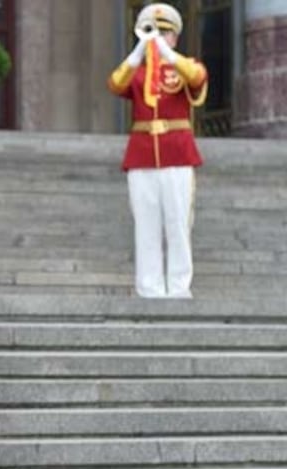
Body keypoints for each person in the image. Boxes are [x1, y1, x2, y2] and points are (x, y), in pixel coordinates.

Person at [108, 2, 208, 298]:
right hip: (142, 156)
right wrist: (139, 52)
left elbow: (197, 78)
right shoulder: (137, 74)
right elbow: (115, 83)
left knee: (178, 223)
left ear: (175, 36)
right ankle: (148, 288)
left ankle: (178, 287)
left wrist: (167, 54)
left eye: (165, 32)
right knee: (146, 225)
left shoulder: (185, 65)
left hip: (177, 154)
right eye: (154, 31)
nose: (158, 37)